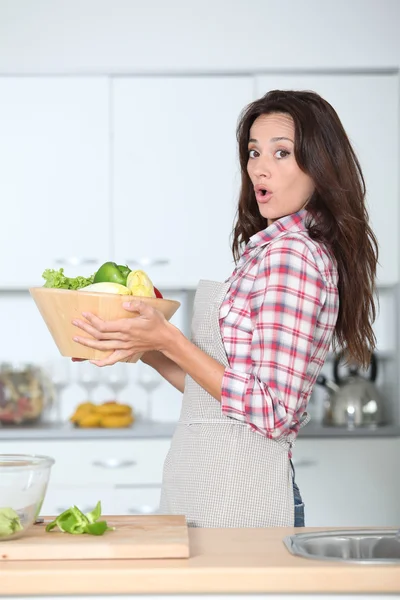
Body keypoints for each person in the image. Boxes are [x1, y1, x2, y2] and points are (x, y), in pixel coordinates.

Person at [72, 89, 379, 528]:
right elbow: (214, 398)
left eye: (282, 153)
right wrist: (145, 346)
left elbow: (272, 412)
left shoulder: (293, 256)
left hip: (242, 500)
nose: (260, 166)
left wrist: (170, 339)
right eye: (254, 151)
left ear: (320, 166)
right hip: (204, 488)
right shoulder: (265, 252)